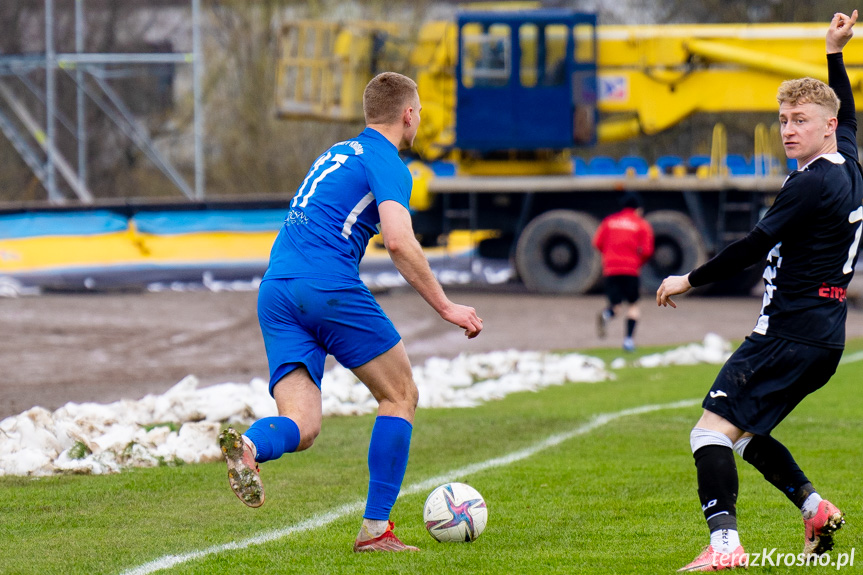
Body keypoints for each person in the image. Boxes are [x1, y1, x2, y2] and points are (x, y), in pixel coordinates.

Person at [218, 72, 483, 553]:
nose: (419, 118)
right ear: (408, 115)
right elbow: (399, 242)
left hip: (276, 289)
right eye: (419, 111)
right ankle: (376, 530)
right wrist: (446, 306)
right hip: (327, 286)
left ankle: (252, 447)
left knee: (303, 425)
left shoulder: (335, 152)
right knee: (400, 394)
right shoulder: (388, 161)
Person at [657, 12, 861, 571]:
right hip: (824, 337)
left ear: (825, 125)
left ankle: (725, 548)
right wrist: (834, 53)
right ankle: (815, 508)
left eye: (799, 120)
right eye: (782, 119)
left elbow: (752, 246)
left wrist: (686, 280)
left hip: (788, 332)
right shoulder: (847, 159)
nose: (788, 129)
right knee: (745, 435)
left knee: (708, 435)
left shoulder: (812, 182)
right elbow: (846, 110)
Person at [593, 191, 654, 351]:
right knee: (633, 306)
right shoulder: (642, 225)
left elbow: (597, 242)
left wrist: (609, 257)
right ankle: (628, 341)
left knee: (616, 305)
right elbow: (647, 251)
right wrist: (637, 262)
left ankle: (607, 315)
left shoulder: (609, 221)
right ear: (638, 209)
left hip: (611, 269)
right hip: (631, 270)